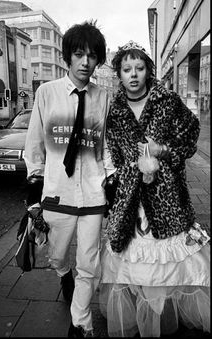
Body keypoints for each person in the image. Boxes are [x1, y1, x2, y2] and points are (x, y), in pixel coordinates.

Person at [99, 41, 210, 337]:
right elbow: (113, 155)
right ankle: (142, 315)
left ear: (148, 70)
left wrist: (161, 151)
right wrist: (130, 172)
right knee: (133, 258)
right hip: (131, 199)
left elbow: (189, 141)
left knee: (170, 260)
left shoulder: (168, 101)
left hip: (169, 197)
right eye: (126, 69)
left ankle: (164, 315)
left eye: (139, 68)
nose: (133, 74)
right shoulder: (115, 111)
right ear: (119, 74)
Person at [24, 20, 114, 338]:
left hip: (92, 193)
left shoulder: (103, 97)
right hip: (57, 194)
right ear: (68, 57)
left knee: (89, 264)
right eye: (79, 54)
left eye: (92, 56)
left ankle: (80, 323)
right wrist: (33, 192)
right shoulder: (46, 94)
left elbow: (107, 145)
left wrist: (112, 182)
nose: (86, 62)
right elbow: (34, 144)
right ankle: (63, 273)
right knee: (58, 253)